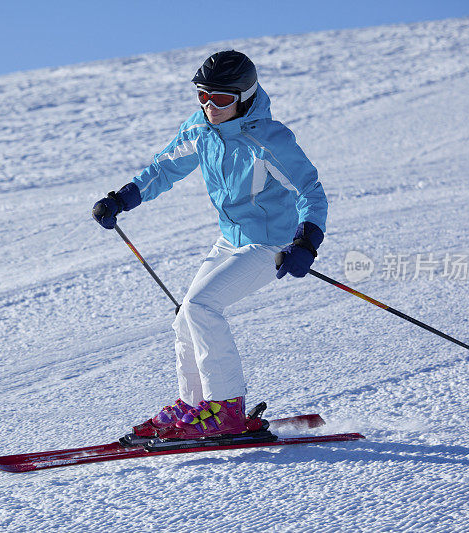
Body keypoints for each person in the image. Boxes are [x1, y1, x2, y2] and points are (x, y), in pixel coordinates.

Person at [93, 50, 328, 440]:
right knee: (186, 313)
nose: (210, 106)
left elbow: (309, 191)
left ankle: (226, 408)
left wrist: (306, 242)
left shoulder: (268, 139)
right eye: (203, 96)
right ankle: (194, 405)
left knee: (203, 305)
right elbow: (164, 168)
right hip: (230, 238)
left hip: (271, 242)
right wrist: (122, 198)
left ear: (245, 97)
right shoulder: (199, 129)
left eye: (220, 99)